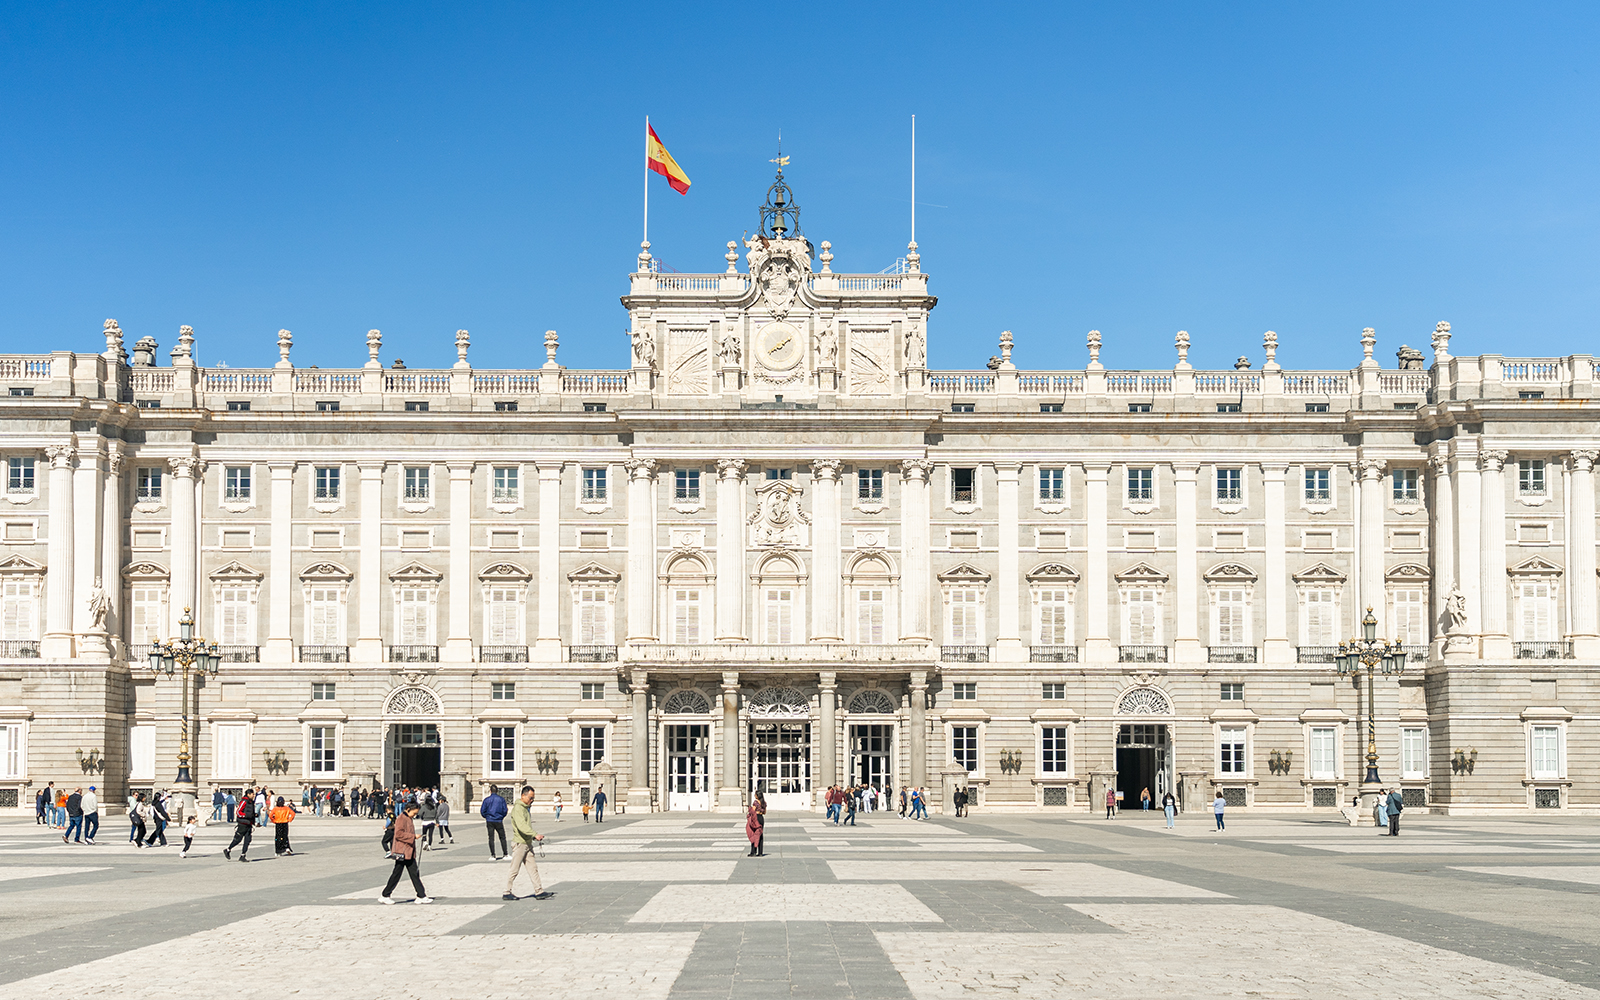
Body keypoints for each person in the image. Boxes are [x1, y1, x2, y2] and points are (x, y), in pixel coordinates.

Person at [503, 785, 554, 901]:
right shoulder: (518, 809)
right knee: (514, 869)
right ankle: (506, 891)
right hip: (520, 844)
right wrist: (534, 834)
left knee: (533, 868)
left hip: (527, 843)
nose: (532, 801)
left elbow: (526, 826)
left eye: (533, 798)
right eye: (530, 798)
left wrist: (533, 837)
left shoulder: (525, 808)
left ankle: (539, 891)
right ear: (523, 796)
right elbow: (521, 826)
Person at [380, 802, 432, 904]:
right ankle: (385, 895)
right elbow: (398, 834)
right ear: (408, 809)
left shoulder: (408, 818)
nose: (415, 815)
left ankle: (421, 895)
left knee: (414, 873)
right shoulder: (401, 818)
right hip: (402, 852)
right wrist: (413, 837)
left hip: (408, 851)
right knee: (396, 874)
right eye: (414, 812)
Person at [224, 786, 256, 862]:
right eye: (252, 794)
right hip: (243, 823)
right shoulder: (244, 801)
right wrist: (245, 816)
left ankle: (243, 855)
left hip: (249, 823)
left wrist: (254, 816)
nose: (253, 795)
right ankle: (228, 849)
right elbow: (238, 812)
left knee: (248, 840)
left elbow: (250, 812)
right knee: (238, 839)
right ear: (248, 794)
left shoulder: (251, 802)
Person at [480, 784, 509, 860]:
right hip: (499, 820)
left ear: (490, 791)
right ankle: (505, 854)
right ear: (497, 791)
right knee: (502, 837)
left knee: (491, 838)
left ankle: (493, 855)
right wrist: (501, 817)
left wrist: (486, 817)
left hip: (490, 820)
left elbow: (482, 811)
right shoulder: (501, 799)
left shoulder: (486, 800)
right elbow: (505, 810)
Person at [746, 791, 767, 857]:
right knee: (760, 835)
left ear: (757, 795)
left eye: (755, 794)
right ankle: (760, 852)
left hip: (756, 818)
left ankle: (753, 851)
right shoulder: (764, 803)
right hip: (761, 818)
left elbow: (753, 811)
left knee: (754, 834)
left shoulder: (756, 802)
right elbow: (764, 812)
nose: (754, 795)